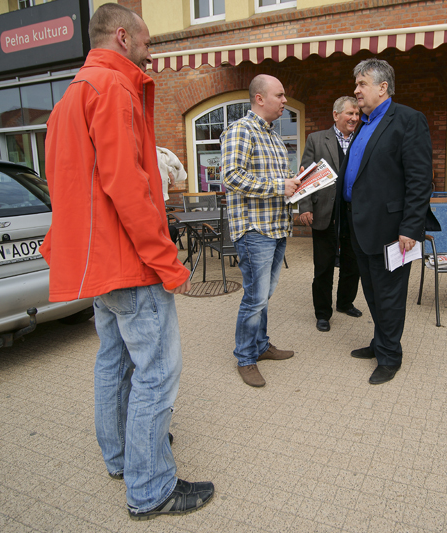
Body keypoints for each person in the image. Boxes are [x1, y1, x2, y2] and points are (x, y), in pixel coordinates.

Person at [40, 4, 213, 519]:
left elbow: (67, 184)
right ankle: (150, 487)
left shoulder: (72, 94)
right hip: (129, 262)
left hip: (100, 263)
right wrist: (167, 262)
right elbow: (129, 187)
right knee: (156, 374)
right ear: (122, 35)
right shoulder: (114, 87)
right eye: (146, 42)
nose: (149, 52)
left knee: (114, 364)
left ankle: (124, 457)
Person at [336, 58, 433, 385]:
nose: (356, 90)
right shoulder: (364, 123)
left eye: (361, 84)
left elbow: (420, 180)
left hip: (392, 230)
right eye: (356, 84)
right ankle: (381, 342)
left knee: (389, 296)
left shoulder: (408, 120)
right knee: (373, 292)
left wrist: (410, 228)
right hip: (360, 225)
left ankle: (390, 357)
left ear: (383, 87)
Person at [221, 74, 302, 388]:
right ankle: (245, 357)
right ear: (259, 98)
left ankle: (261, 344)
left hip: (276, 227)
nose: (284, 101)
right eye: (279, 95)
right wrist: (280, 186)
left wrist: (297, 183)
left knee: (263, 296)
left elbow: (279, 181)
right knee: (255, 298)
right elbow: (231, 176)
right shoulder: (241, 130)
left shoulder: (273, 136)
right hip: (255, 229)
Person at [298, 96, 362, 332]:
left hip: (354, 212)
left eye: (357, 114)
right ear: (336, 115)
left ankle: (345, 303)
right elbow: (305, 175)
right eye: (350, 113)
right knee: (323, 266)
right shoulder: (316, 139)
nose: (354, 118)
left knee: (352, 263)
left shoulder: (362, 138)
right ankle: (323, 313)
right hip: (325, 211)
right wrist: (305, 206)